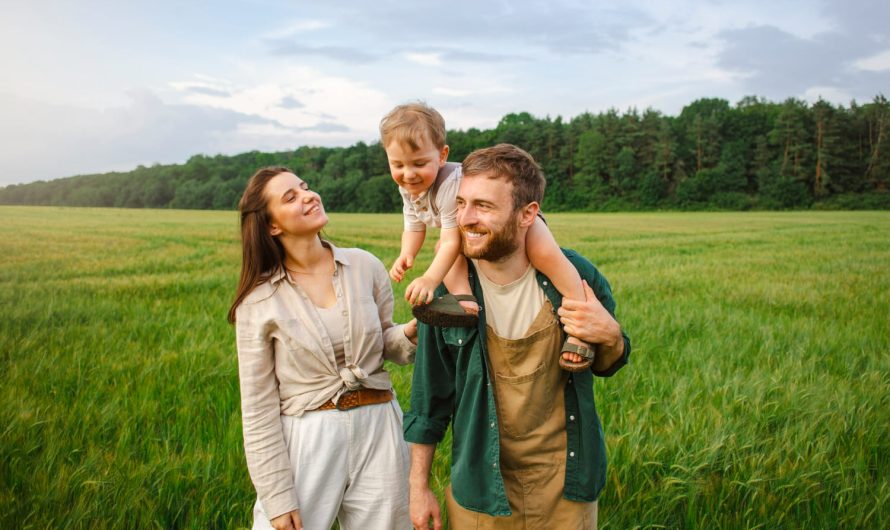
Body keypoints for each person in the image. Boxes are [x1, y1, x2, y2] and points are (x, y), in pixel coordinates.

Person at [403, 145, 632, 529]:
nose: (465, 218)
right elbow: (430, 399)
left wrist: (610, 336)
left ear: (528, 214)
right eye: (460, 203)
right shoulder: (447, 295)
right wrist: (418, 487)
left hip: (566, 483)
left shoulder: (574, 277)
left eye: (483, 206)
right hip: (480, 490)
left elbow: (610, 362)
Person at [227, 166, 417, 530]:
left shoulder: (364, 265)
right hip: (308, 438)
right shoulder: (259, 300)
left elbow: (385, 342)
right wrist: (276, 496)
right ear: (272, 226)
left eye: (305, 187)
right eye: (291, 197)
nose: (309, 196)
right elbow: (258, 407)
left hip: (380, 426)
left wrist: (411, 334)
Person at [380, 102, 595, 371]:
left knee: (547, 256)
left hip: (518, 219)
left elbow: (451, 241)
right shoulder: (408, 187)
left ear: (442, 155)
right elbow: (413, 225)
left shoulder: (447, 186)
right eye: (397, 165)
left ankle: (581, 325)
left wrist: (430, 279)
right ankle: (465, 301)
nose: (408, 174)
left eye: (419, 163)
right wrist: (407, 254)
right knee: (443, 249)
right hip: (469, 227)